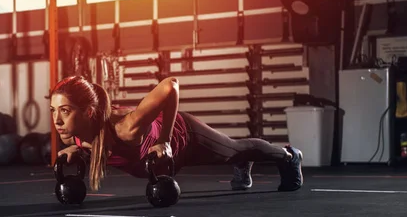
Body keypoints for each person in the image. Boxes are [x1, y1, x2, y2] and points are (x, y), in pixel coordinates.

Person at [50, 75, 303, 193]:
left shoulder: (126, 128)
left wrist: (164, 141)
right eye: (53, 110)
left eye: (64, 111)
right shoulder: (78, 133)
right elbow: (101, 144)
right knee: (234, 154)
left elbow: (170, 85)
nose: (57, 120)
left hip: (187, 137)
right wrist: (82, 149)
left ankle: (289, 156)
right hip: (169, 158)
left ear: (89, 112)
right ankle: (243, 160)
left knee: (234, 149)